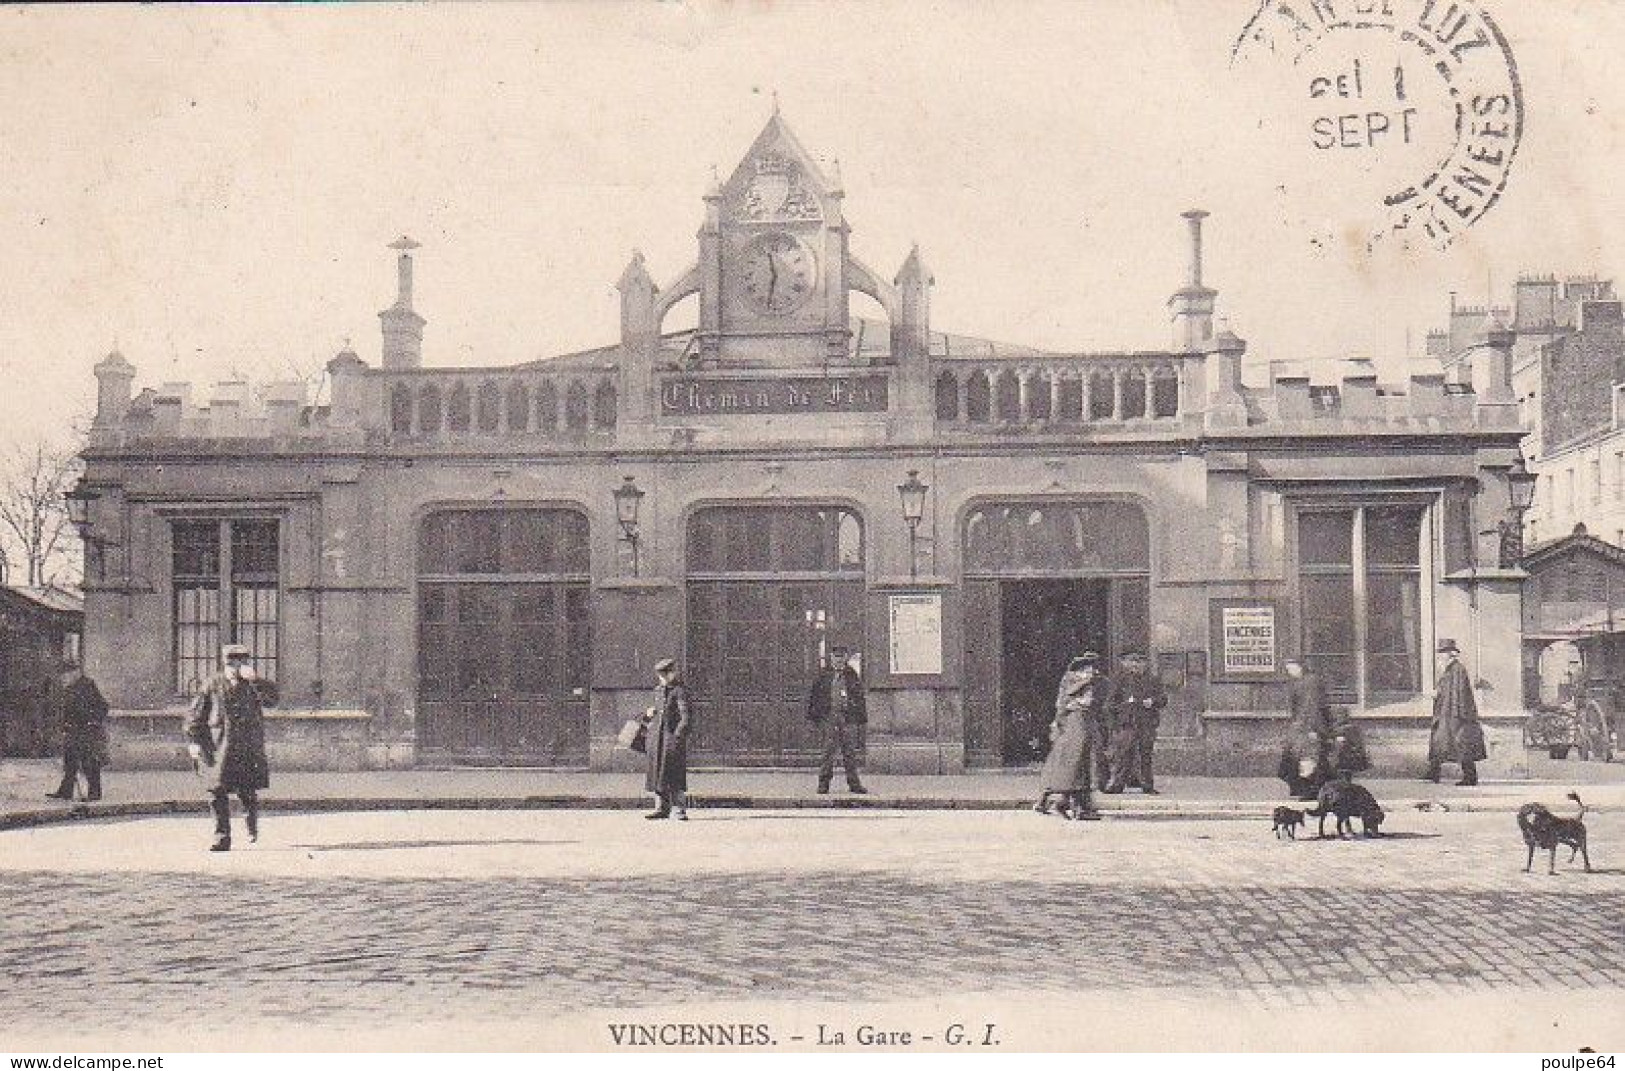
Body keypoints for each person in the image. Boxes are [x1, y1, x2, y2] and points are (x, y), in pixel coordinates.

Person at [184, 643, 272, 851]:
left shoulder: (252, 685)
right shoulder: (212, 684)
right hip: (218, 747)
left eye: (241, 662)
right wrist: (194, 741)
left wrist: (256, 680)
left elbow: (273, 700)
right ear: (224, 663)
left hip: (247, 746)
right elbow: (195, 715)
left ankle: (251, 824)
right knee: (216, 791)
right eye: (231, 662)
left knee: (247, 790)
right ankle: (222, 837)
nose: (236, 667)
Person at [1034, 653, 1103, 820]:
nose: (1091, 671)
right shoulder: (1074, 683)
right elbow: (1069, 704)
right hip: (1076, 726)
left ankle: (1065, 803)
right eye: (1087, 668)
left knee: (1072, 765)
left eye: (1092, 667)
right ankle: (1070, 805)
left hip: (1076, 726)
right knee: (1074, 764)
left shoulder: (1079, 685)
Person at [44, 655, 109, 802]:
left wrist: (93, 721)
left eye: (67, 673)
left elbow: (103, 706)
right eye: (63, 674)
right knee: (70, 761)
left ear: (76, 672)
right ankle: (65, 791)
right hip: (73, 730)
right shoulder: (69, 688)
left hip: (88, 731)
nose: (64, 677)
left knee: (90, 762)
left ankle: (94, 793)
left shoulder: (88, 685)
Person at [806, 643, 868, 795]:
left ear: (846, 658)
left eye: (841, 658)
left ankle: (854, 784)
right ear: (831, 658)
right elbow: (815, 696)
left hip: (847, 718)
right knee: (828, 752)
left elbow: (859, 697)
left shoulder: (851, 675)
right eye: (836, 657)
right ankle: (823, 784)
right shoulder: (824, 675)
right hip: (830, 718)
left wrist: (860, 718)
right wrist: (816, 717)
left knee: (849, 753)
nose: (839, 661)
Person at [1105, 650, 1167, 795]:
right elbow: (1110, 704)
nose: (1136, 665)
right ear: (1127, 664)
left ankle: (1147, 785)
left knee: (1146, 755)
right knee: (1124, 755)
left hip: (1147, 723)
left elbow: (1163, 699)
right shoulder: (1120, 681)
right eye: (1133, 661)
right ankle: (1118, 784)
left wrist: (1152, 702)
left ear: (1145, 664)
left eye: (1140, 662)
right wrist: (1126, 705)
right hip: (1128, 723)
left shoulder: (1152, 680)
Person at [1426, 638, 1485, 786]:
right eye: (1440, 653)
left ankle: (1470, 777)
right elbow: (1446, 690)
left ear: (1451, 654)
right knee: (1440, 743)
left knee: (1461, 746)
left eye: (1443, 653)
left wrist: (1459, 716)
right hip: (1446, 714)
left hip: (1455, 716)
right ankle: (1434, 773)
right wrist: (1437, 693)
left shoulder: (1458, 670)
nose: (1440, 656)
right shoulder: (1449, 670)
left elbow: (1460, 694)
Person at [1277, 657, 1333, 800]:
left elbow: (1313, 708)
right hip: (1301, 727)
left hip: (1308, 728)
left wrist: (1313, 729)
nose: (1289, 672)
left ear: (1300, 667)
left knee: (1307, 761)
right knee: (1299, 760)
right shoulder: (1301, 682)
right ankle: (1304, 790)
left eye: (1291, 668)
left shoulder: (1310, 683)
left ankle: (1310, 792)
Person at [645, 657, 692, 820]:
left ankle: (679, 809)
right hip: (657, 739)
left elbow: (685, 717)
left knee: (674, 773)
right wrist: (650, 713)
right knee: (658, 772)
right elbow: (656, 713)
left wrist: (677, 737)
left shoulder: (679, 691)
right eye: (661, 675)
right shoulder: (657, 691)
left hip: (671, 739)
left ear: (673, 673)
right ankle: (661, 808)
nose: (664, 677)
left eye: (667, 674)